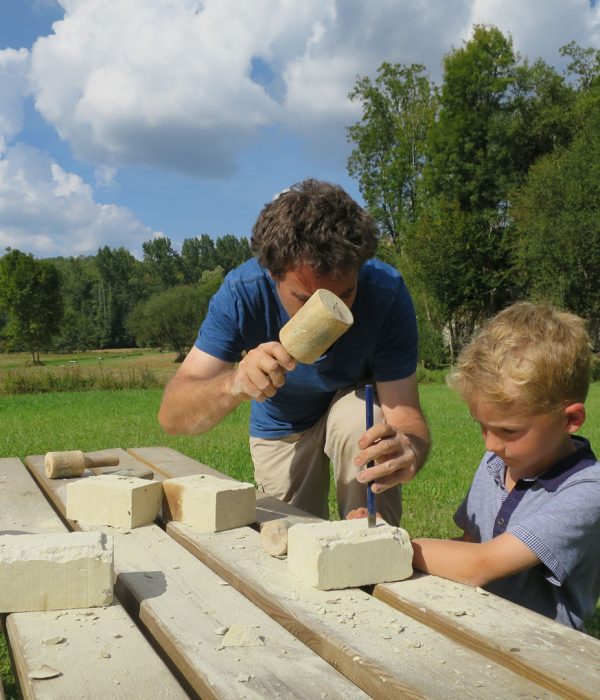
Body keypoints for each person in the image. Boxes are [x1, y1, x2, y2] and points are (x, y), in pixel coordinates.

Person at [158, 178, 430, 525]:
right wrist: (234, 384)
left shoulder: (385, 291)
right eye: (304, 299)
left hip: (354, 405)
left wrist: (408, 449)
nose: (327, 312)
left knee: (363, 423)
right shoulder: (243, 292)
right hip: (281, 423)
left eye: (345, 294)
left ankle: (372, 545)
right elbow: (172, 416)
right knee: (288, 540)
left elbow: (404, 412)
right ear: (272, 273)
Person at [350, 302, 600, 630]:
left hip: (541, 646)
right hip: (477, 621)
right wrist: (387, 539)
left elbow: (482, 563)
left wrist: (392, 546)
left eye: (508, 430)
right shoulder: (498, 462)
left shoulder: (586, 490)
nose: (490, 445)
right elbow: (471, 544)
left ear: (570, 419)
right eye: (482, 425)